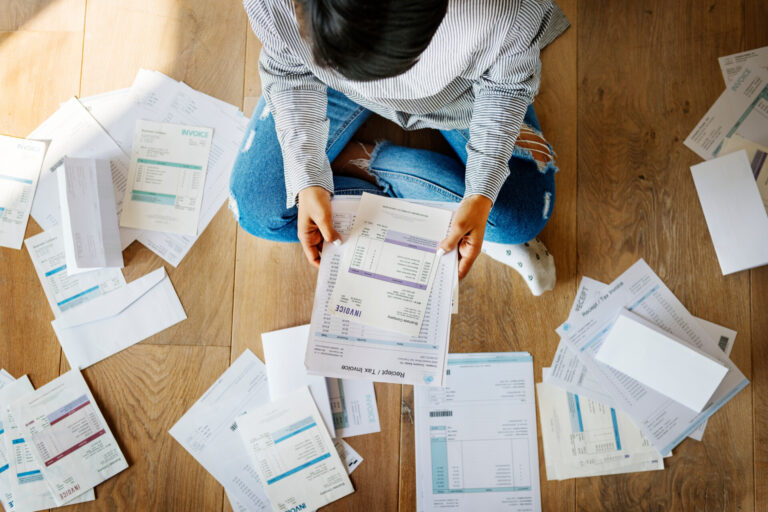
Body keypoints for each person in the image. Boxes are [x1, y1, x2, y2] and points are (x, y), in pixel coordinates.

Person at [230, 0, 567, 294]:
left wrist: (481, 193)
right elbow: (289, 70)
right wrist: (306, 174)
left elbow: (505, 89)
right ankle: (447, 215)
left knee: (521, 216)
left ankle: (357, 161)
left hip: (459, 96)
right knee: (257, 208)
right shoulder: (271, 4)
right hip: (327, 88)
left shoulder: (503, 11)